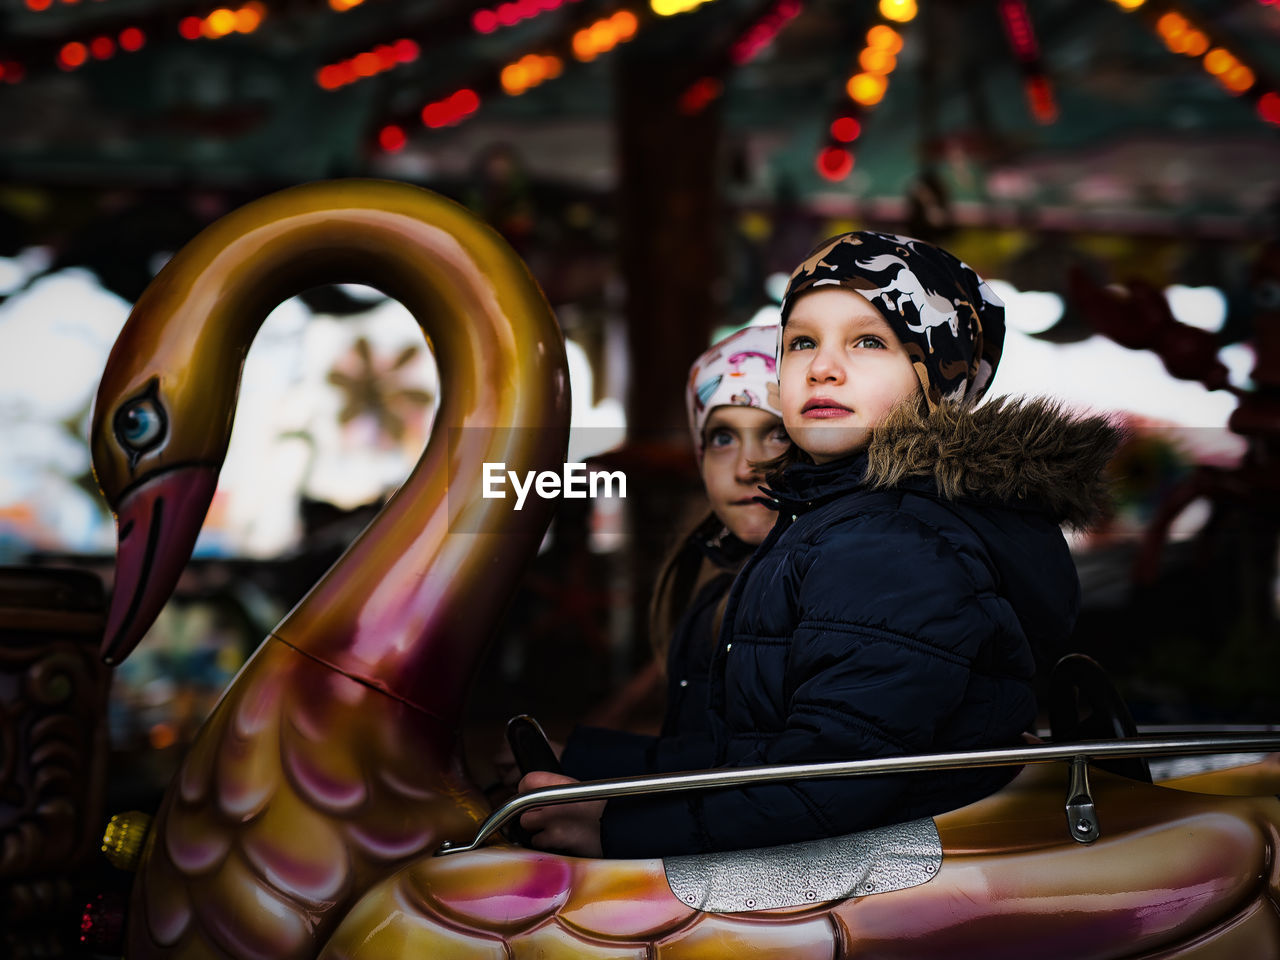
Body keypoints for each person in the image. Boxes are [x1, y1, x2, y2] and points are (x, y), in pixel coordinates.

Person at [519, 231, 1119, 858]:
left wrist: (617, 828)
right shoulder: (824, 524)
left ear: (937, 381)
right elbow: (750, 750)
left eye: (868, 341)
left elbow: (835, 778)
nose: (823, 366)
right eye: (802, 341)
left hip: (881, 888)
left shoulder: (894, 543)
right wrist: (588, 767)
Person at [493, 326, 787, 782]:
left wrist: (586, 763)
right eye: (722, 439)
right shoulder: (712, 589)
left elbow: (761, 768)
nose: (747, 467)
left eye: (777, 434)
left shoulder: (815, 588)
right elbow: (703, 751)